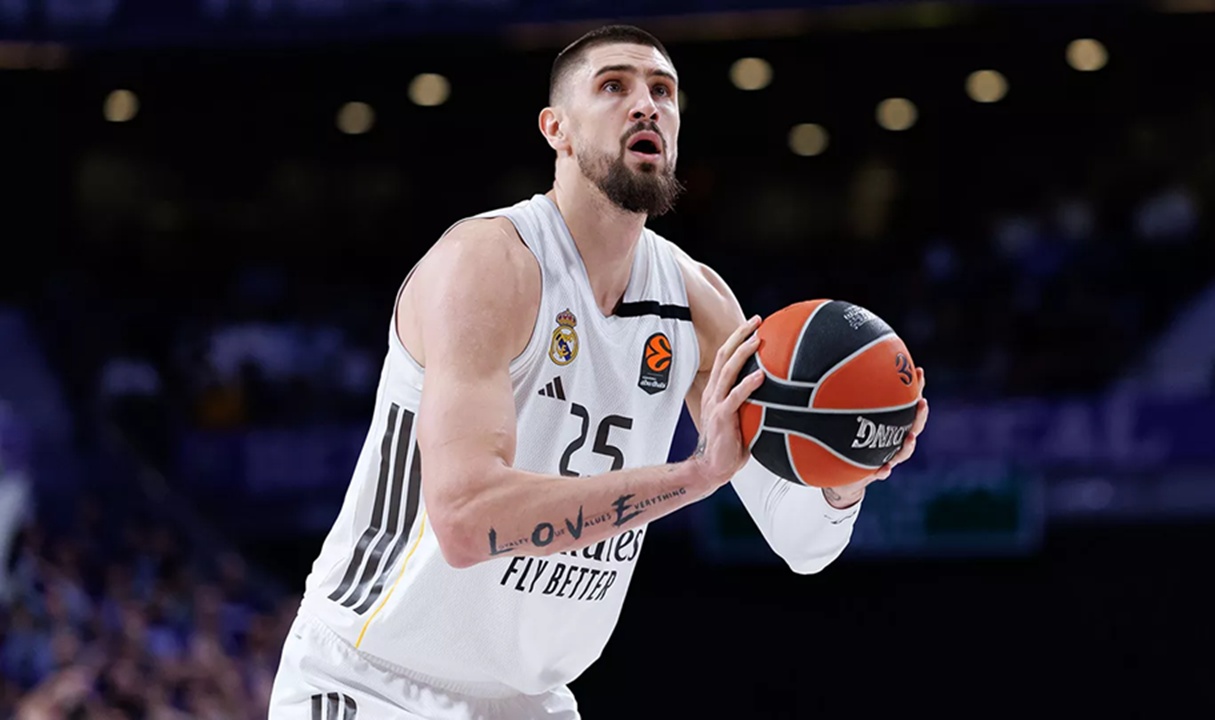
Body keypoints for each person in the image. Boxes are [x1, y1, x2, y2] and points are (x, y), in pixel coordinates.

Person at [267, 24, 929, 719]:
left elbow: (801, 546)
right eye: (614, 86)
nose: (647, 105)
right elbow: (464, 521)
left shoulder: (699, 302)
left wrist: (846, 471)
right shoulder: (489, 264)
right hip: (374, 678)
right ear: (556, 128)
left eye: (663, 91)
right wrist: (692, 476)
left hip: (531, 702)